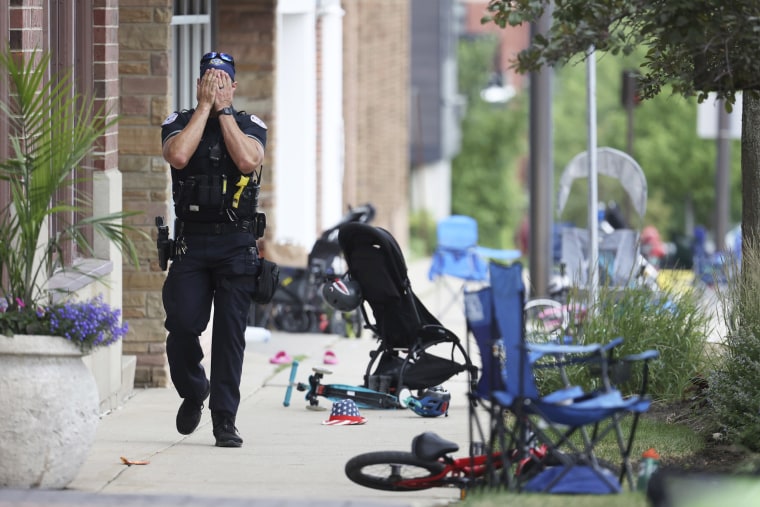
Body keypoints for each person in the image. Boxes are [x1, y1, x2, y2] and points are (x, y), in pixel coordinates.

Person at [160, 51, 267, 448]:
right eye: (210, 78)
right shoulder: (178, 122)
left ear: (234, 86)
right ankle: (193, 390)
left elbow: (245, 160)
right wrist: (205, 108)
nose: (217, 84)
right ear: (199, 83)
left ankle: (225, 420)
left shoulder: (249, 125)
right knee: (183, 325)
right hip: (192, 241)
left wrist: (222, 112)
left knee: (229, 335)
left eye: (224, 79)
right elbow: (179, 155)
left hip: (236, 243)